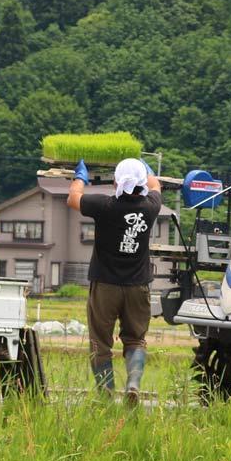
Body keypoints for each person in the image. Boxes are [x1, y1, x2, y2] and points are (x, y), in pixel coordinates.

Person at [68, 157, 163, 404]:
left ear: (115, 183)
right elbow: (156, 186)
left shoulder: (104, 206)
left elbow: (73, 198)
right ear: (141, 183)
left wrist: (80, 177)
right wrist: (147, 168)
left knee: (100, 343)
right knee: (135, 340)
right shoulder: (151, 206)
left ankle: (107, 395)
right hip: (138, 286)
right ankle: (132, 383)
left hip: (105, 286)